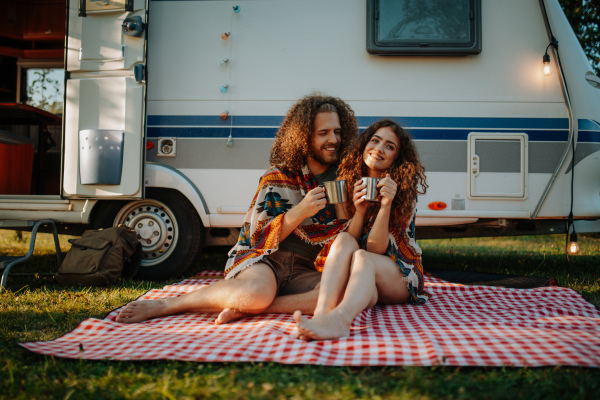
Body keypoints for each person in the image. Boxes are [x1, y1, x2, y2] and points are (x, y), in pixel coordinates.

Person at [116, 94, 358, 324]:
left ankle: (251, 307)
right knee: (255, 293)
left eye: (337, 132)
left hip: (308, 267)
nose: (333, 140)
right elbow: (257, 238)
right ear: (305, 137)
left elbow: (345, 236)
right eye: (323, 133)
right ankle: (168, 305)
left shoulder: (345, 176)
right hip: (268, 261)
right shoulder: (279, 176)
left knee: (342, 293)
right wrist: (300, 211)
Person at [293, 119, 430, 340]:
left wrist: (386, 205)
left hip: (399, 274)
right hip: (364, 276)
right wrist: (360, 211)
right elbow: (350, 240)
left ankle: (341, 321)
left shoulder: (403, 191)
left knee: (363, 257)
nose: (379, 149)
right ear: (365, 143)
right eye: (375, 141)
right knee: (344, 242)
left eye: (389, 146)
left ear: (397, 157)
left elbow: (375, 250)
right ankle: (322, 315)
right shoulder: (347, 183)